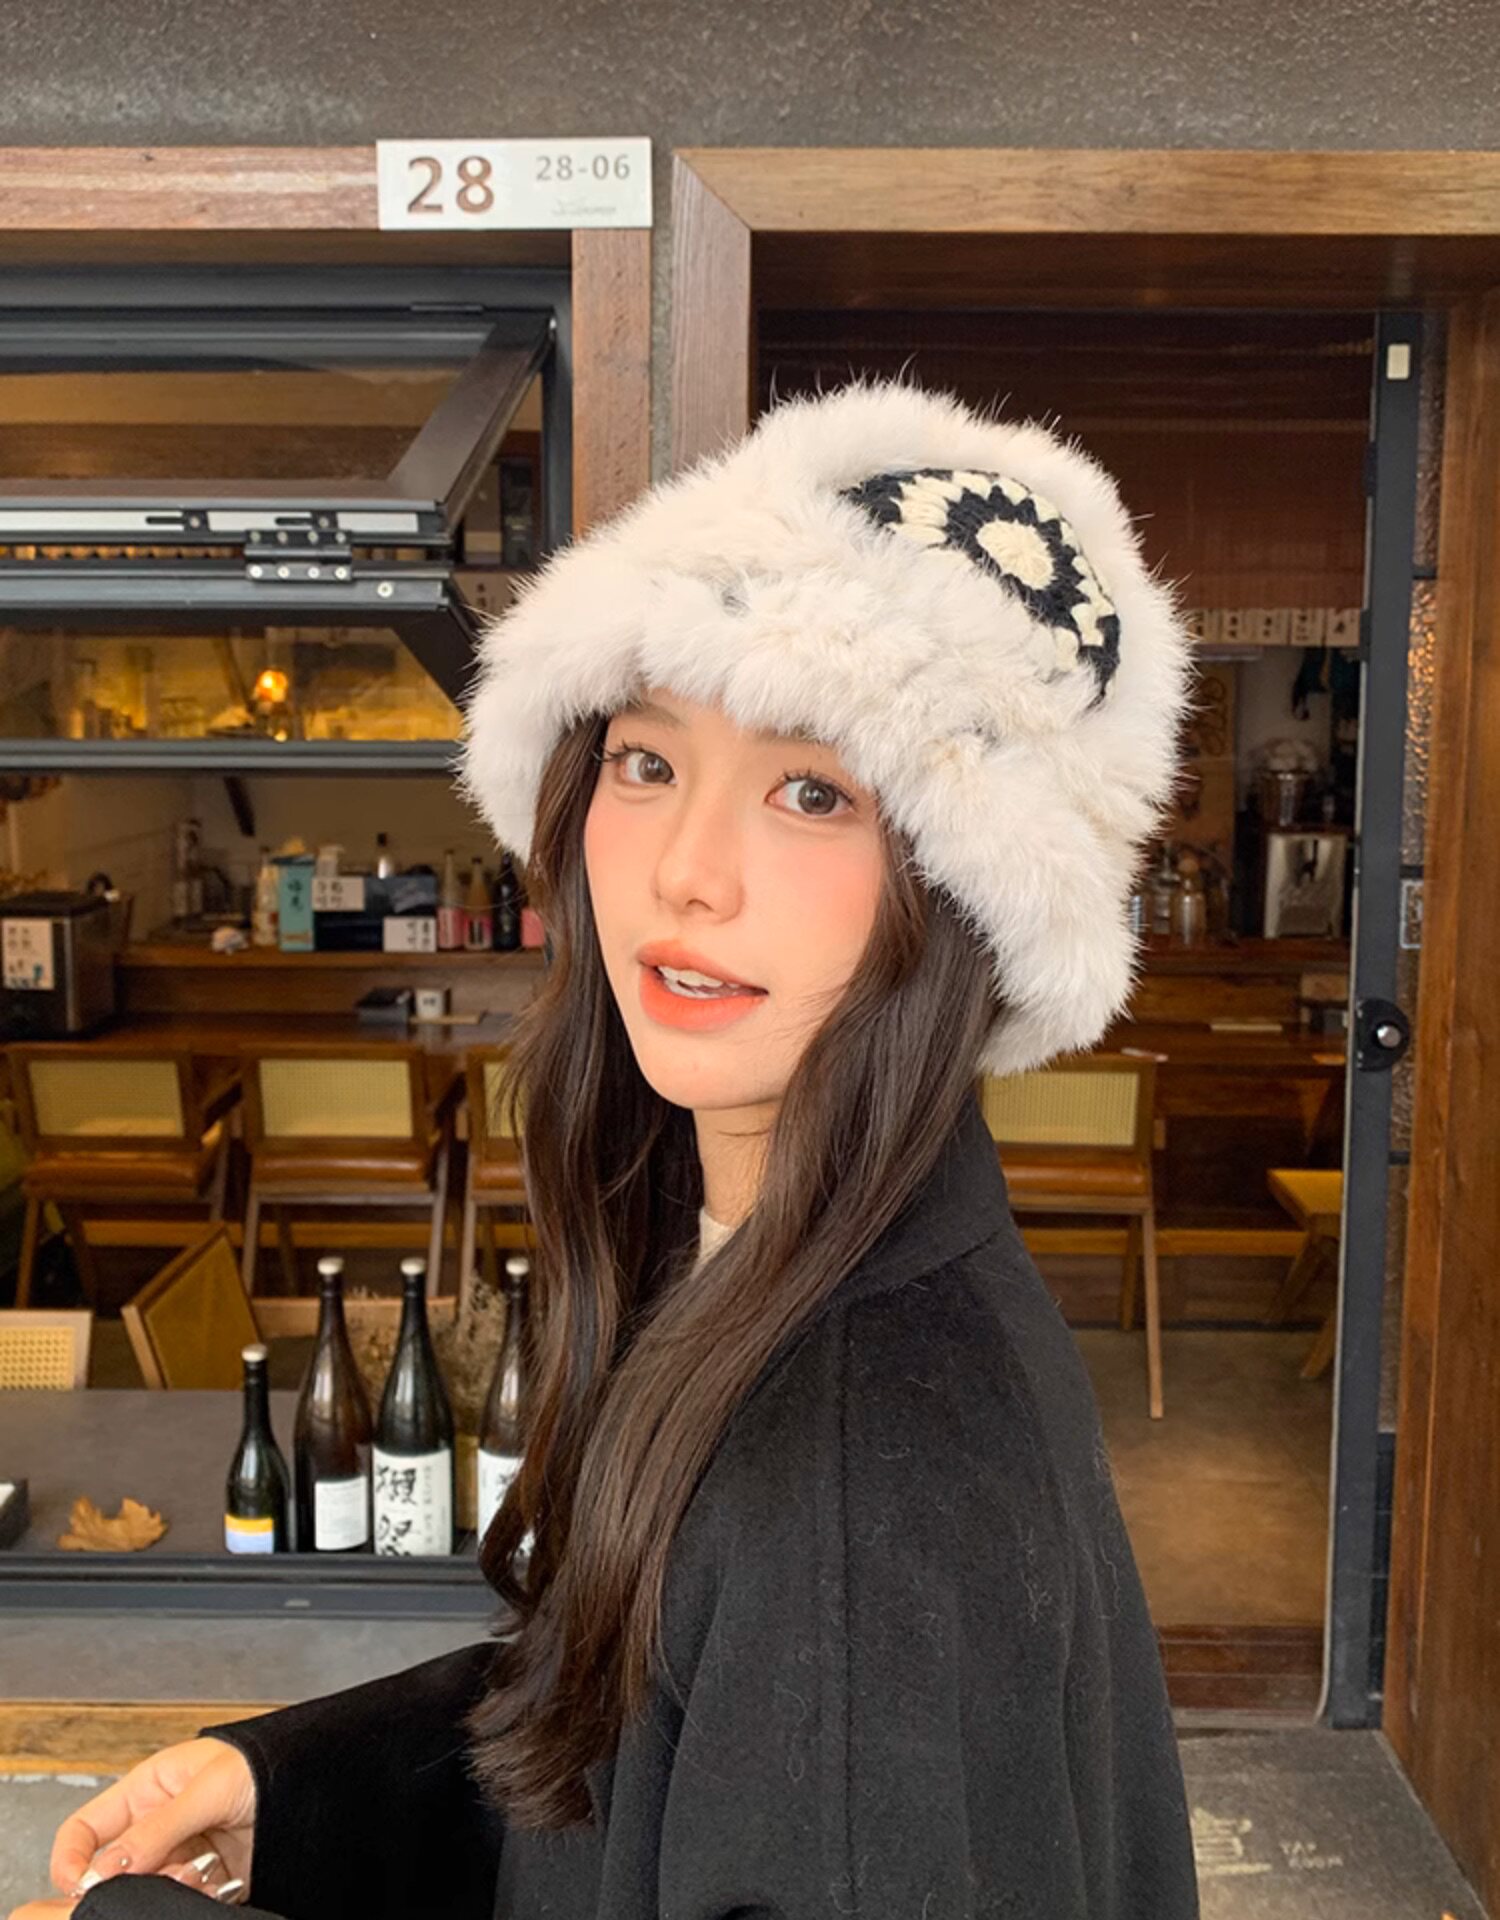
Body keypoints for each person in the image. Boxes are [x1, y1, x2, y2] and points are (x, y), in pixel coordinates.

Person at [19, 377, 1202, 1919]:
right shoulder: (743, 1259)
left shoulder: (861, 1476)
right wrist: (293, 1789)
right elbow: (643, 1728)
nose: (688, 873)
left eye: (811, 791)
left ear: (963, 900)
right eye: (647, 762)